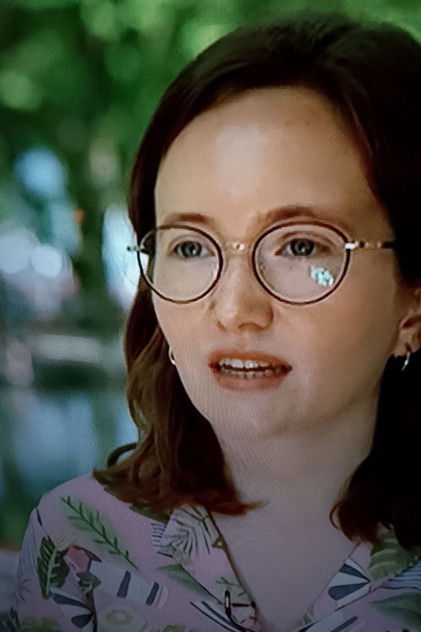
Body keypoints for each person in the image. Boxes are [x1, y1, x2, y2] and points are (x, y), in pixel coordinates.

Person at [7, 11, 421, 632]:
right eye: (191, 247)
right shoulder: (79, 547)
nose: (234, 310)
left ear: (413, 305)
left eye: (300, 245)